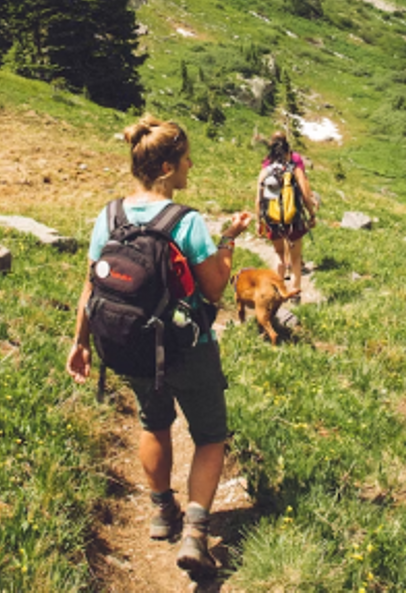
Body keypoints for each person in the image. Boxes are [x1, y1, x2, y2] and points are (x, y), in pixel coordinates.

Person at [66, 115, 252, 576]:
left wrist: (80, 343)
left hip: (128, 345)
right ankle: (194, 531)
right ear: (168, 167)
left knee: (154, 423)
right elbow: (213, 289)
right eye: (186, 159)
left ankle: (159, 510)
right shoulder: (184, 222)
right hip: (187, 345)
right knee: (210, 436)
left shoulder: (109, 216)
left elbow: (92, 284)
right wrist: (228, 239)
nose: (191, 166)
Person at [256, 131, 318, 294]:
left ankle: (278, 289)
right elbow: (305, 194)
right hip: (293, 218)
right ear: (288, 149)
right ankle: (296, 290)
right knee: (296, 258)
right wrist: (311, 215)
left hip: (272, 219)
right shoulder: (294, 169)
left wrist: (258, 222)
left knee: (279, 253)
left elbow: (258, 200)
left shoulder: (265, 171)